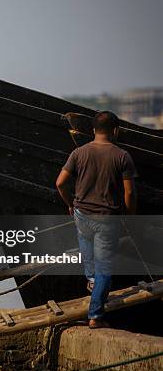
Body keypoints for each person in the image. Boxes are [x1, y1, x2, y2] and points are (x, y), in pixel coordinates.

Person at [56, 111, 137, 329]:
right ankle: (95, 315)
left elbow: (60, 183)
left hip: (81, 215)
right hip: (106, 219)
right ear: (116, 131)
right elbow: (129, 194)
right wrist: (129, 219)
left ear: (93, 130)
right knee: (104, 269)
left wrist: (70, 204)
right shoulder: (122, 156)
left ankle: (93, 284)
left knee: (90, 261)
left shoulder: (78, 153)